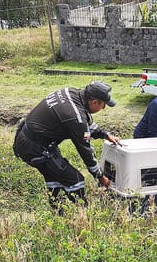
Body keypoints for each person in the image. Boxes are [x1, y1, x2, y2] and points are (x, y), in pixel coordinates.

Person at [13, 80, 121, 212]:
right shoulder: (75, 117)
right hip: (34, 147)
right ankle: (83, 215)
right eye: (103, 105)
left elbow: (84, 122)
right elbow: (86, 150)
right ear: (95, 102)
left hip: (31, 139)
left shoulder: (72, 93)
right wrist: (100, 176)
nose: (103, 108)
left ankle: (58, 213)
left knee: (54, 177)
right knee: (75, 180)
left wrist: (105, 135)